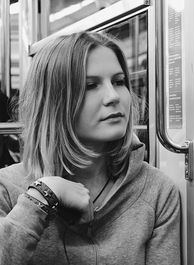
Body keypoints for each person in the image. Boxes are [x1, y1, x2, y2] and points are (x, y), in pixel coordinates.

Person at [0, 32, 181, 264]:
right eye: (91, 85)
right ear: (54, 102)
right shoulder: (7, 188)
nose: (113, 96)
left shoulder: (156, 191)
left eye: (119, 81)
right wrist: (43, 195)